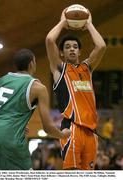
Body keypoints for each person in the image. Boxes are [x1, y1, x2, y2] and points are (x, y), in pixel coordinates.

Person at [0, 48, 70, 170]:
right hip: (9, 141)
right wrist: (63, 135)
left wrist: (16, 125)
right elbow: (48, 128)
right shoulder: (38, 87)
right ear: (31, 64)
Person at [45, 8, 106, 170]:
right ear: (62, 53)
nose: (72, 49)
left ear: (79, 51)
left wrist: (89, 25)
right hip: (71, 128)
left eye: (74, 46)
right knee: (72, 174)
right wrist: (63, 22)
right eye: (67, 47)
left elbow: (101, 46)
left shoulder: (87, 68)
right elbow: (50, 40)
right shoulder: (60, 69)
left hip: (91, 131)